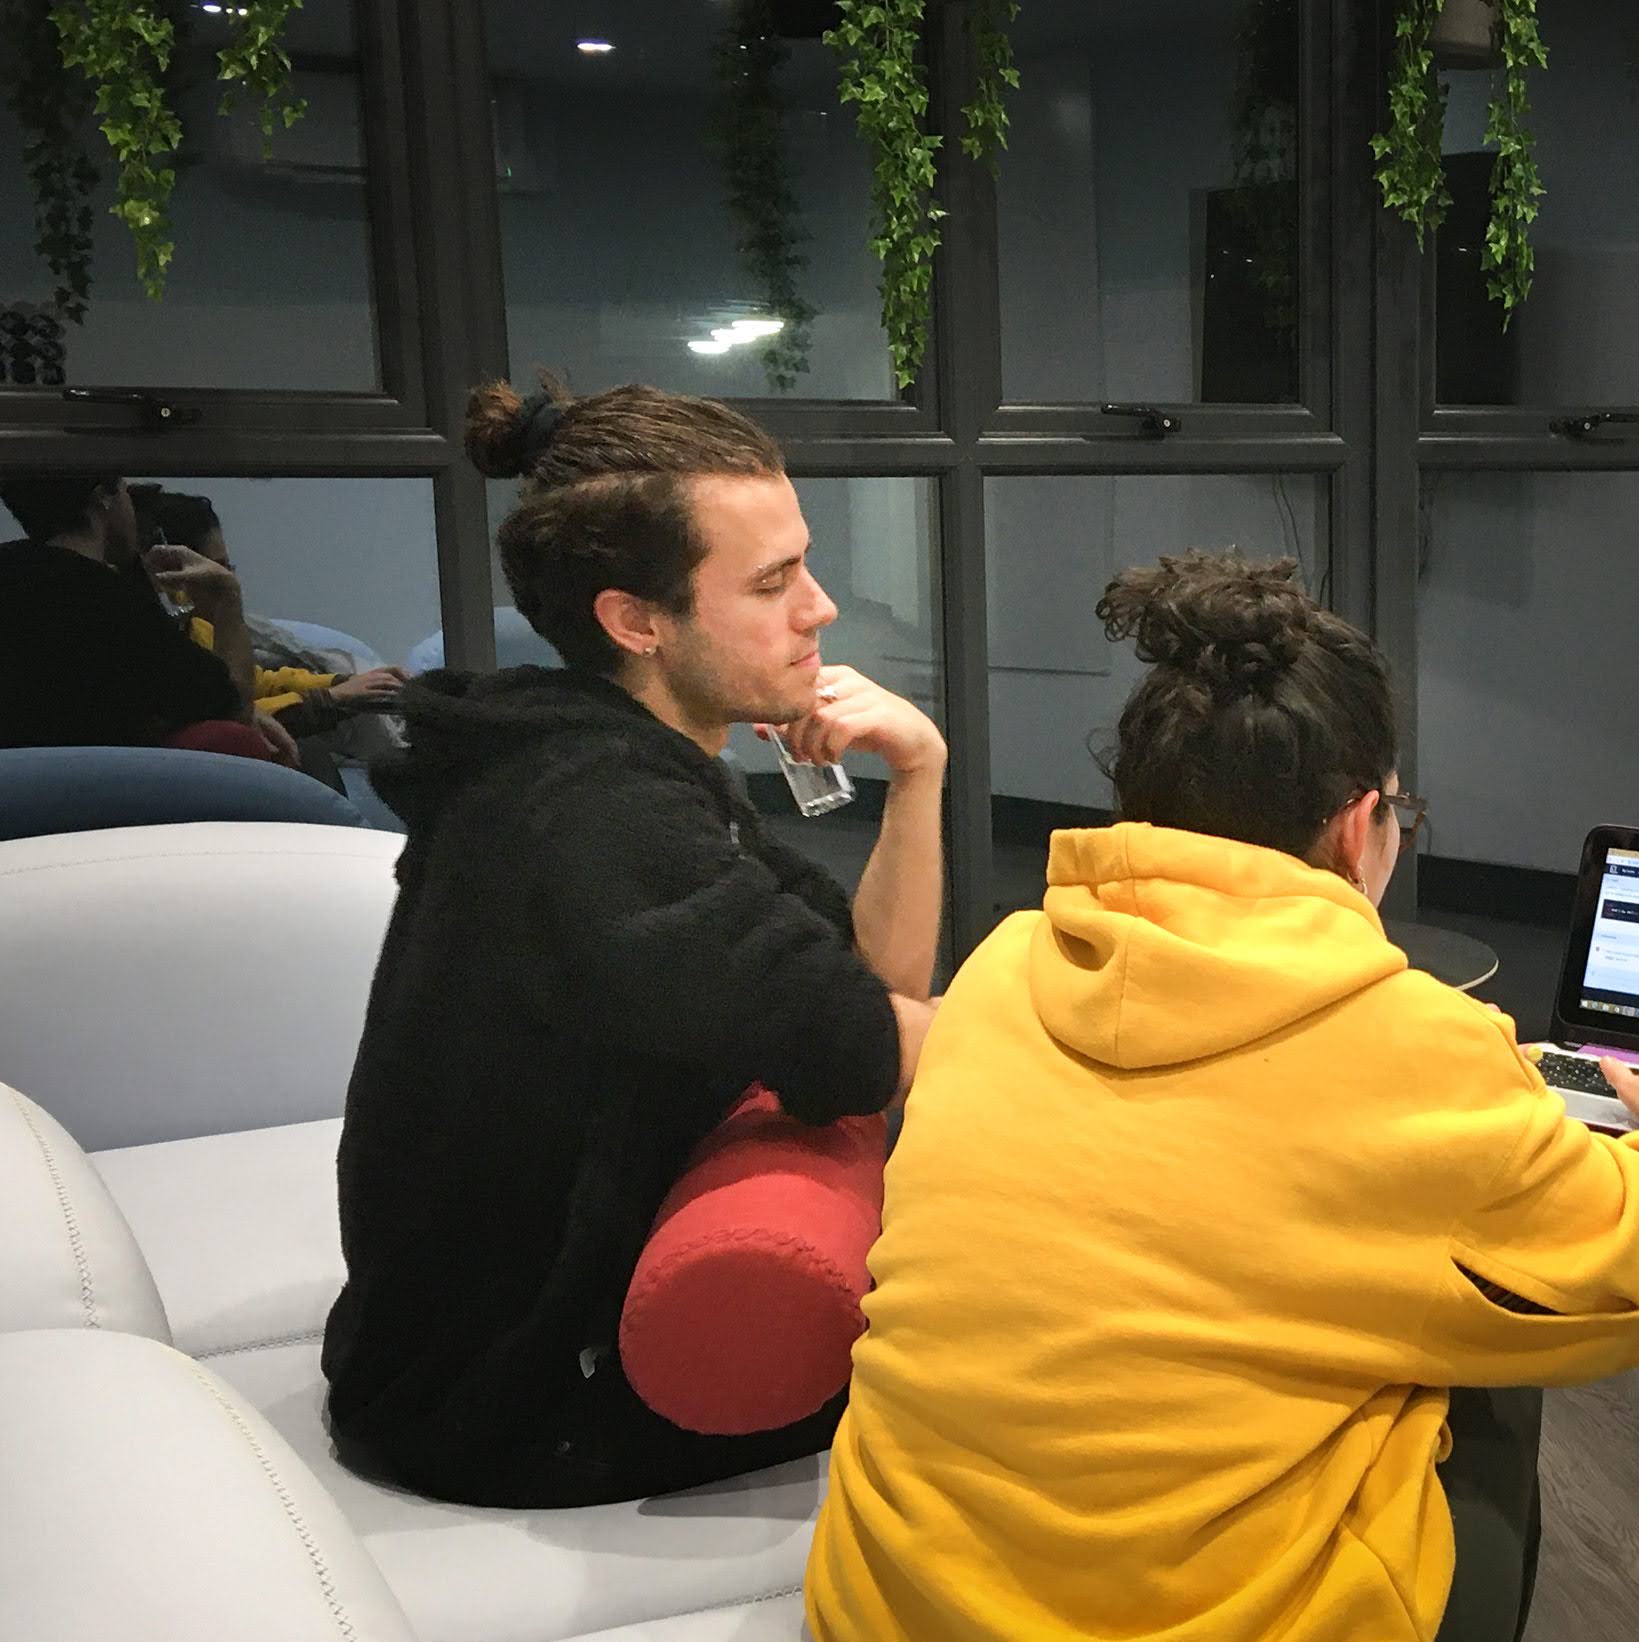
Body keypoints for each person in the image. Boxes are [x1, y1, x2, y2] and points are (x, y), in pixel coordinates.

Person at [805, 551, 1639, 1642]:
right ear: (1359, 824)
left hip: (892, 1604)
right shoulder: (1407, 1037)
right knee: (1492, 1354)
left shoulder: (1002, 968)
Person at [322, 377, 945, 1508]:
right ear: (635, 620)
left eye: (803, 565)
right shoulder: (590, 814)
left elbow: (864, 991)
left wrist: (919, 777)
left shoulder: (611, 759)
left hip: (480, 1351)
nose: (821, 608)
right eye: (771, 583)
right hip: (510, 1401)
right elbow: (871, 1039)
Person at [0, 474, 288, 760]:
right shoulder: (110, 601)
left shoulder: (16, 574)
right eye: (124, 488)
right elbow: (234, 708)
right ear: (104, 497)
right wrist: (227, 595)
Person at [128, 484, 406, 755]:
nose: (230, 579)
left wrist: (342, 681)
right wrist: (332, 699)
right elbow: (231, 717)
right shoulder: (149, 646)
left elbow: (261, 682)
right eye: (220, 568)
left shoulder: (195, 630)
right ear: (172, 570)